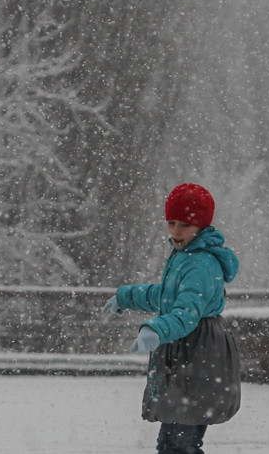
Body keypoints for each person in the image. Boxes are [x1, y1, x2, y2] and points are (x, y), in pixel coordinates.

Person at [102, 183, 241, 454]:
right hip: (185, 352)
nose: (176, 231)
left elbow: (186, 314)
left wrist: (156, 328)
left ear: (200, 226)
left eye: (185, 225)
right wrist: (127, 296)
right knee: (173, 442)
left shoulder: (200, 263)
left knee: (178, 442)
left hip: (199, 354)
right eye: (171, 222)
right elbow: (168, 296)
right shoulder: (184, 256)